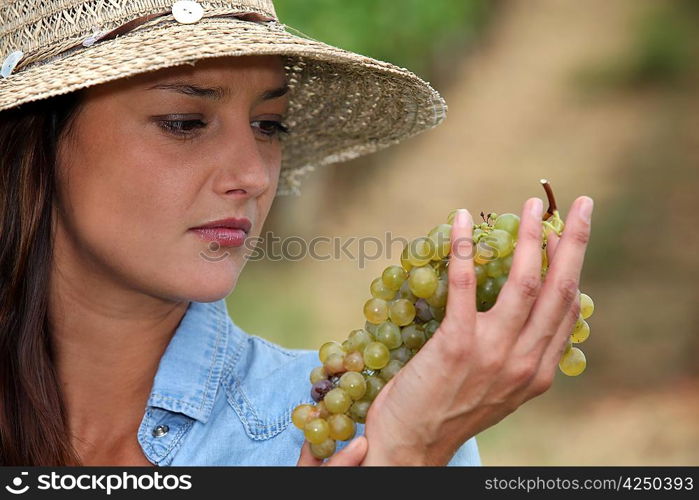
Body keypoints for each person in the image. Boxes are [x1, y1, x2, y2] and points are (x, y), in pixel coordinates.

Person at [0, 0, 593, 466]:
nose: (254, 176)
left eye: (268, 125)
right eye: (184, 123)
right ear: (35, 145)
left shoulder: (377, 424)